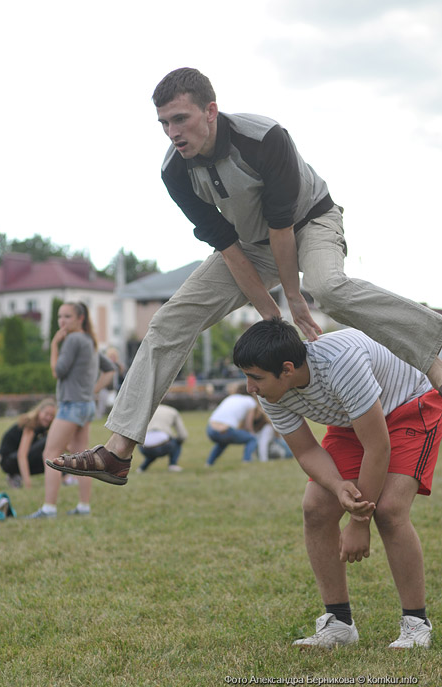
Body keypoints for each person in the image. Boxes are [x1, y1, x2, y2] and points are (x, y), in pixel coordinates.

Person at [47, 67, 442, 485]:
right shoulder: (175, 172)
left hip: (309, 222)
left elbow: (283, 227)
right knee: (170, 320)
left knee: (328, 288)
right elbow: (228, 247)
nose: (172, 132)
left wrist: (295, 300)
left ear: (211, 111)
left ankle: (433, 345)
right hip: (248, 246)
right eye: (164, 123)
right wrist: (272, 317)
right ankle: (118, 450)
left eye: (181, 119)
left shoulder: (264, 138)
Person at [232, 317, 442, 649]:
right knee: (316, 506)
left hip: (409, 404)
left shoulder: (341, 364)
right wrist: (337, 485)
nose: (249, 388)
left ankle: (416, 624)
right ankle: (339, 624)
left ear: (287, 369)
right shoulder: (271, 392)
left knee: (388, 510)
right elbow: (306, 449)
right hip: (352, 418)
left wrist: (359, 521)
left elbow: (378, 446)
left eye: (255, 378)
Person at [28, 302, 115, 518]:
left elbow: (58, 371)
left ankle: (49, 508)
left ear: (80, 319)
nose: (62, 321)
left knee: (50, 454)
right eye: (59, 316)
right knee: (82, 459)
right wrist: (91, 391)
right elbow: (110, 370)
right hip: (86, 406)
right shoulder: (89, 341)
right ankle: (84, 507)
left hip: (71, 405)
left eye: (67, 316)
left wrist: (55, 345)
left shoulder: (73, 340)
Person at [0, 397, 57, 488]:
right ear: (39, 412)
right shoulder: (30, 424)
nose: (49, 418)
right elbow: (22, 455)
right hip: (8, 461)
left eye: (52, 415)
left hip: (16, 459)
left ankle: (15, 476)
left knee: (52, 459)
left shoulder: (43, 428)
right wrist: (28, 484)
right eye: (46, 414)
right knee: (48, 440)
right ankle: (14, 474)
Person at [205, 382, 258, 467]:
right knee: (252, 439)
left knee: (223, 442)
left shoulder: (231, 397)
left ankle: (209, 463)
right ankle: (246, 461)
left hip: (210, 429)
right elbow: (248, 425)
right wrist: (252, 433)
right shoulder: (250, 401)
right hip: (226, 431)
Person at [137, 403, 188, 473]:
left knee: (152, 450)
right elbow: (183, 435)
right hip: (163, 445)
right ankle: (173, 464)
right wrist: (179, 441)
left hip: (143, 446)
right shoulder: (172, 411)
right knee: (176, 442)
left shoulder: (144, 410)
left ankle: (142, 468)